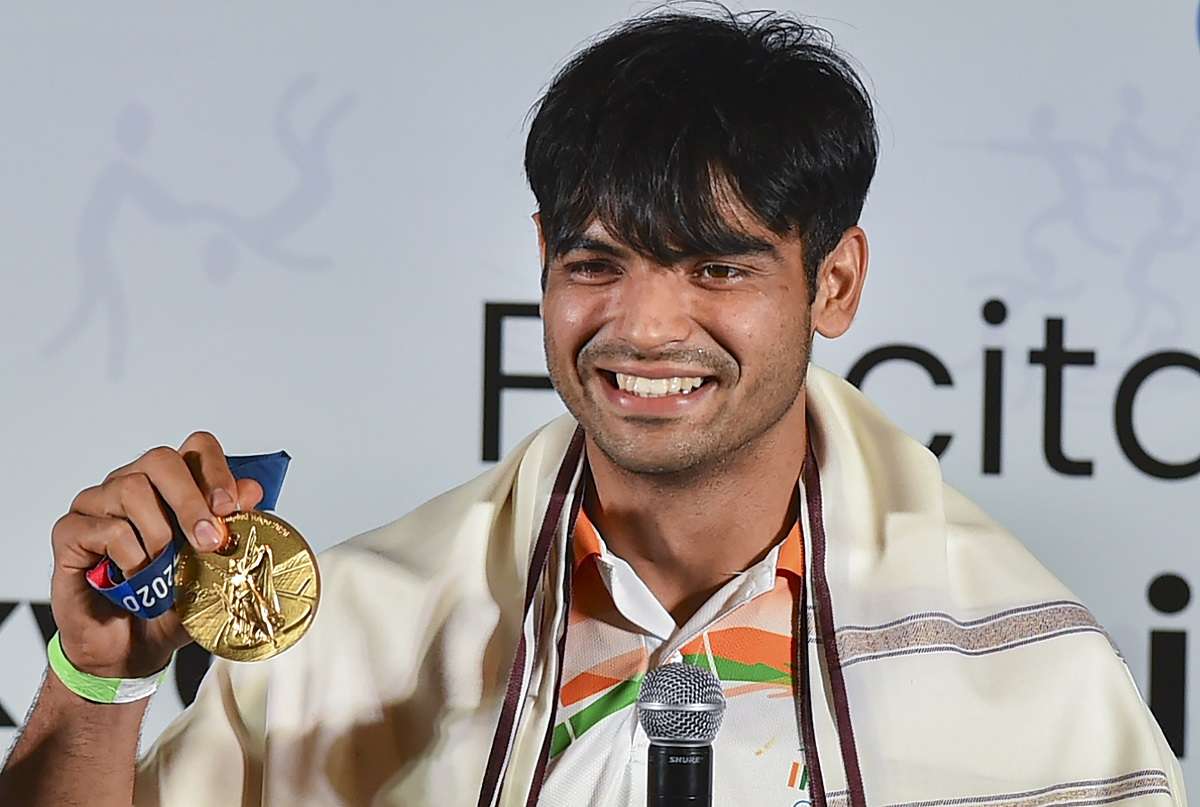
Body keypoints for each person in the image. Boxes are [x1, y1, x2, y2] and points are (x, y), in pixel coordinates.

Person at [0, 6, 1186, 806]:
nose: (646, 328)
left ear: (834, 282)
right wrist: (97, 682)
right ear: (540, 259)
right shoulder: (359, 632)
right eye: (597, 261)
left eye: (718, 268)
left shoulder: (1031, 673)